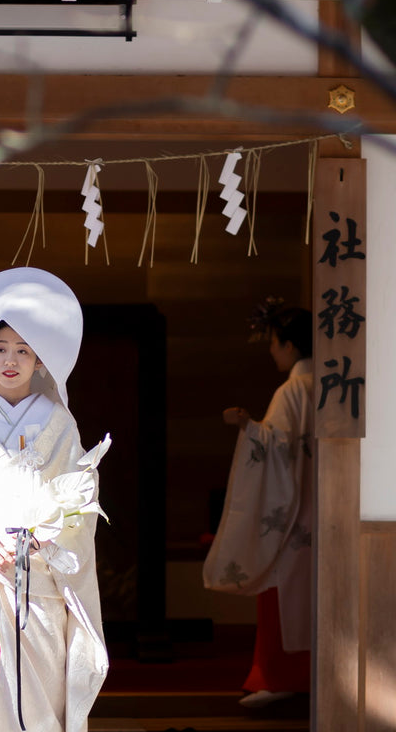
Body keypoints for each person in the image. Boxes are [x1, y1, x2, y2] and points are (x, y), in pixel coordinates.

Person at [0, 267, 110, 732]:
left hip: (42, 582)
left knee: (44, 699)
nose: (10, 360)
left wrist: (50, 534)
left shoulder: (61, 423)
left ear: (39, 361)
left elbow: (80, 499)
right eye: (0, 349)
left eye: (22, 350)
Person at [204, 299, 314, 709]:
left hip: (291, 515)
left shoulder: (292, 391)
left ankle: (280, 676)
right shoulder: (331, 384)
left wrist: (247, 426)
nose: (271, 350)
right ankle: (309, 675)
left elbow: (275, 448)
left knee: (280, 589)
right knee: (310, 594)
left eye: (273, 342)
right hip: (320, 509)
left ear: (288, 345)